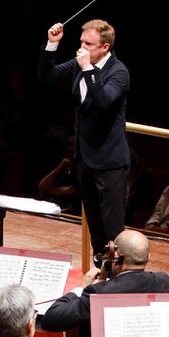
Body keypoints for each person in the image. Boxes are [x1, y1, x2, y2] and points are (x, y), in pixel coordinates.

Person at [39, 19, 130, 253]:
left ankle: (116, 279)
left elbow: (102, 102)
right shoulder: (81, 62)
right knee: (95, 228)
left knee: (112, 228)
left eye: (88, 44)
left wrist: (89, 70)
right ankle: (100, 272)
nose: (82, 48)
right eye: (81, 41)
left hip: (110, 163)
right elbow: (47, 76)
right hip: (86, 159)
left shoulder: (118, 72)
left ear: (105, 48)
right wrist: (52, 44)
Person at [38, 229, 169, 337]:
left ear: (115, 255)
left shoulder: (99, 293)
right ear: (148, 257)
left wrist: (81, 288)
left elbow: (51, 319)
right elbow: (133, 282)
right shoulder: (164, 283)